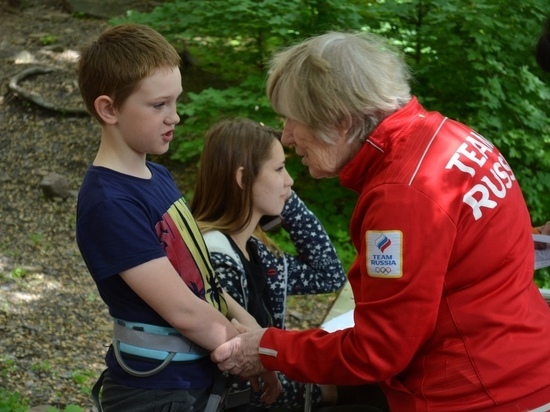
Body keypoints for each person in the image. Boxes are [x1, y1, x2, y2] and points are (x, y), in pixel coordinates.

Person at [210, 31, 550, 411]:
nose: (287, 136)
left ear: (340, 121)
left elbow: (378, 350)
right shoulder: (452, 138)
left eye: (292, 119)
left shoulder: (402, 194)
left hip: (476, 393)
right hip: (520, 369)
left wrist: (268, 348)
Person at [75, 23, 280, 411]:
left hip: (195, 380)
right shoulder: (109, 203)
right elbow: (184, 311)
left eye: (176, 102)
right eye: (159, 105)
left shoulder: (158, 176)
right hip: (156, 392)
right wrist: (247, 352)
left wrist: (260, 343)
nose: (175, 117)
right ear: (108, 108)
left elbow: (206, 282)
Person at [191, 118, 383, 411]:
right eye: (279, 169)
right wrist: (320, 388)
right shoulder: (218, 258)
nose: (290, 181)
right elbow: (235, 376)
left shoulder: (258, 252)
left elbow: (327, 274)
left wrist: (283, 199)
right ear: (243, 178)